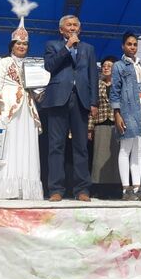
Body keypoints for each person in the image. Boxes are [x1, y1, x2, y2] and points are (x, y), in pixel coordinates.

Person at [0, 22, 43, 200]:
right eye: (18, 43)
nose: (22, 46)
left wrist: (40, 89)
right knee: (7, 145)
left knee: (24, 145)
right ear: (12, 45)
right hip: (7, 106)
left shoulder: (30, 66)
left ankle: (20, 188)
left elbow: (36, 89)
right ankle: (2, 187)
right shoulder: (4, 62)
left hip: (26, 108)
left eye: (25, 44)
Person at [43, 15, 98, 202]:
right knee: (56, 146)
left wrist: (94, 102)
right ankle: (56, 189)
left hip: (81, 99)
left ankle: (82, 189)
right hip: (58, 99)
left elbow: (93, 75)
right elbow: (49, 66)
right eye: (69, 25)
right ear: (61, 30)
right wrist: (67, 47)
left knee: (81, 146)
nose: (72, 28)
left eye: (75, 25)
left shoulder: (88, 49)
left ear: (79, 29)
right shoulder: (52, 45)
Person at [110, 33, 141, 201]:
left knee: (138, 150)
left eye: (135, 44)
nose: (132, 47)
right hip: (127, 111)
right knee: (125, 149)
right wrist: (117, 113)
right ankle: (125, 189)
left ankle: (136, 187)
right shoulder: (119, 66)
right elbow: (114, 91)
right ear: (123, 46)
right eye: (129, 44)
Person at [87, 56, 120, 198]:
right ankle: (100, 188)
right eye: (104, 65)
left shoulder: (120, 84)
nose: (106, 68)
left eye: (109, 66)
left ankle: (117, 188)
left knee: (116, 158)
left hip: (117, 124)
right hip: (100, 124)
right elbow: (92, 107)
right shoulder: (96, 84)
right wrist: (90, 128)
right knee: (99, 158)